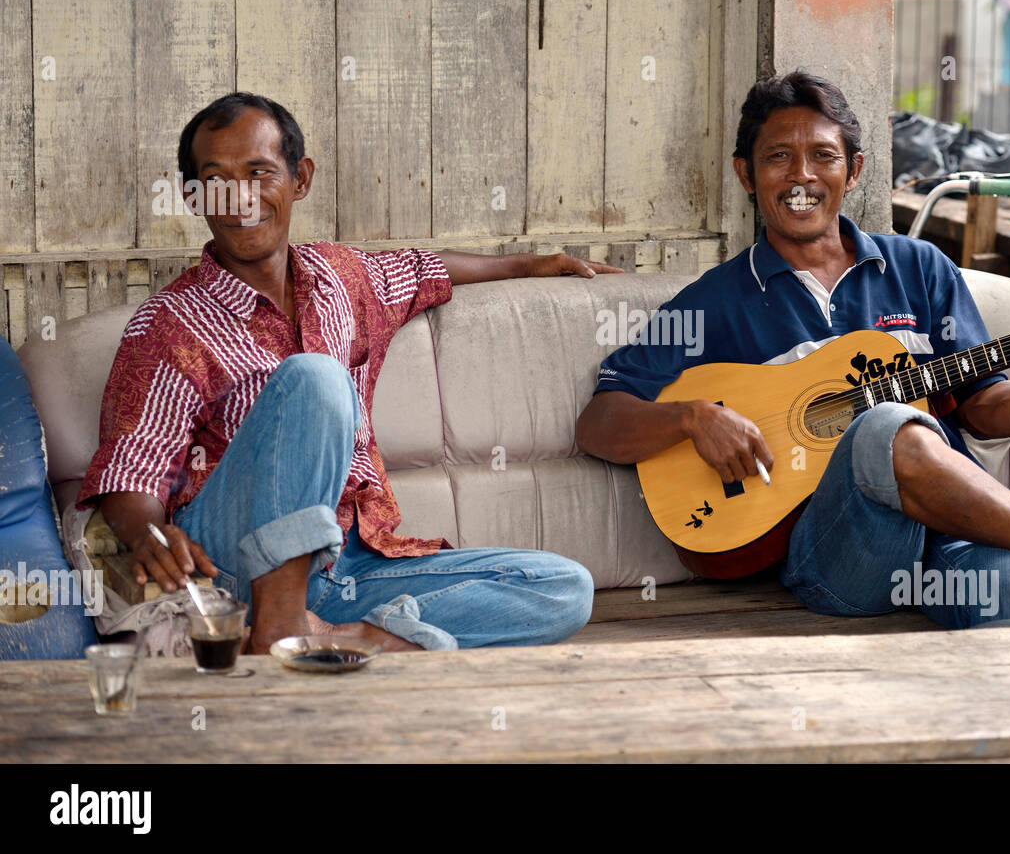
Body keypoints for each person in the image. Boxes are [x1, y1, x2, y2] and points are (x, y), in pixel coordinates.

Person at [576, 70, 1010, 643]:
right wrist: (692, 417)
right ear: (747, 173)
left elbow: (983, 409)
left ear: (853, 171)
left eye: (822, 157)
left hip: (952, 543)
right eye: (779, 157)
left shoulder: (920, 271)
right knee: (884, 420)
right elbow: (600, 421)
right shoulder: (716, 302)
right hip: (841, 561)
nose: (801, 175)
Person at [78, 92, 617, 653]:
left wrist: (532, 263)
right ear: (194, 196)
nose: (240, 197)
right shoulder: (169, 324)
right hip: (235, 561)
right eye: (216, 180)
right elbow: (131, 468)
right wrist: (148, 533)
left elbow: (424, 268)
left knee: (563, 588)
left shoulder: (342, 276)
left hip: (350, 564)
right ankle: (277, 627)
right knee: (316, 377)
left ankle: (358, 638)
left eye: (260, 172)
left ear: (300, 179)